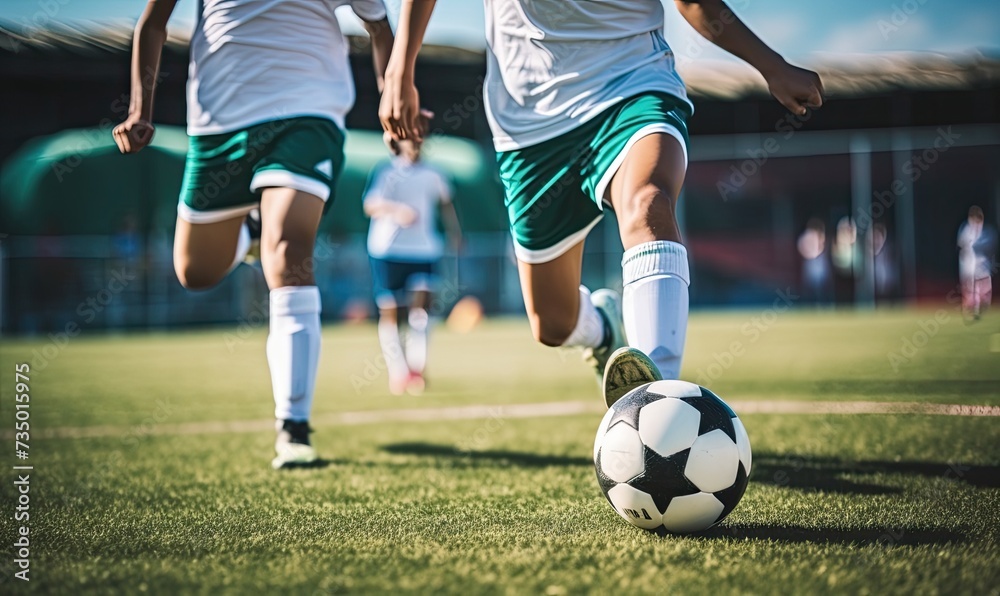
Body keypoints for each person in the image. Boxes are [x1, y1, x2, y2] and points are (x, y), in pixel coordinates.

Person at [380, 0, 823, 406]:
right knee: (552, 324)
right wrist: (400, 71)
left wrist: (772, 65)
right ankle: (601, 328)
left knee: (649, 203)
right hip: (530, 124)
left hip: (631, 84)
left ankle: (658, 406)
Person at [112, 0, 393, 468]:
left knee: (288, 251)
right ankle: (249, 233)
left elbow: (380, 27)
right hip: (219, 125)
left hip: (308, 113)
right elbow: (154, 22)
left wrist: (392, 93)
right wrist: (141, 107)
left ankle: (294, 427)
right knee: (194, 272)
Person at [364, 137, 461, 395]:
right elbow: (370, 204)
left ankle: (418, 369)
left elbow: (446, 204)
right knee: (392, 312)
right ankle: (398, 372)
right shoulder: (387, 172)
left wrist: (455, 233)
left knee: (422, 309)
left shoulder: (435, 173)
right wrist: (396, 210)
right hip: (388, 250)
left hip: (424, 249)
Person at [957, 206, 997, 320]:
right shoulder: (966, 230)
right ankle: (971, 308)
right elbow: (962, 245)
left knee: (984, 289)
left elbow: (991, 246)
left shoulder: (987, 232)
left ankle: (980, 306)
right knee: (969, 289)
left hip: (983, 264)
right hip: (968, 264)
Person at [797, 217, 832, 304]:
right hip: (810, 262)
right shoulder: (807, 236)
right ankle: (809, 304)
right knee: (808, 287)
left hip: (820, 263)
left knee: (822, 288)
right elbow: (802, 248)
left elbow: (825, 249)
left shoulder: (822, 238)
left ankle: (822, 303)